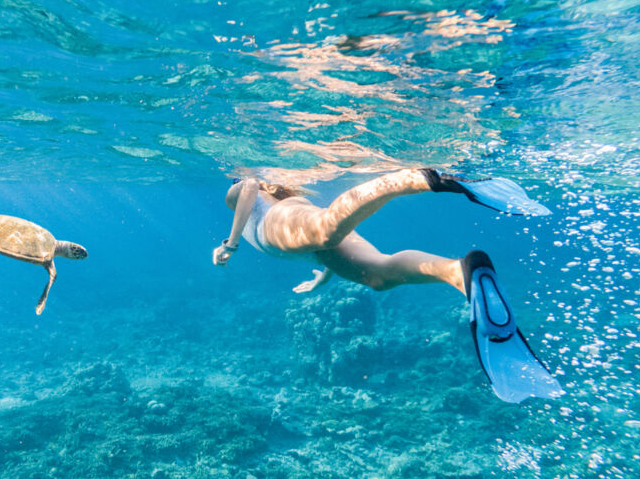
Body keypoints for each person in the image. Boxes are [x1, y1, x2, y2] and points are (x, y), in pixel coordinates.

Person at [212, 168, 563, 403]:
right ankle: (459, 273)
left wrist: (230, 244)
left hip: (277, 227)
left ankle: (423, 177)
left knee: (325, 227)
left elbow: (246, 186)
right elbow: (317, 250)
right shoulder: (287, 199)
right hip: (298, 235)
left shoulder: (239, 192)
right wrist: (323, 277)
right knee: (377, 276)